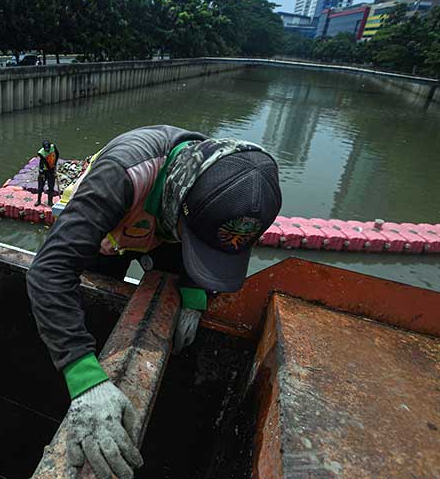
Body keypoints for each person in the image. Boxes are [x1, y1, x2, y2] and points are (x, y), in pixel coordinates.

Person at [25, 125, 282, 479]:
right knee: (90, 308)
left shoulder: (222, 175)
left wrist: (194, 293)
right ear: (178, 200)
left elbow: (196, 241)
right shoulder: (121, 174)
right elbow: (48, 271)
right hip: (110, 234)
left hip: (161, 234)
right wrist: (85, 380)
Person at [35, 139, 59, 206]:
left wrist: (54, 165)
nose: (47, 150)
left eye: (48, 148)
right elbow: (46, 163)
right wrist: (42, 173)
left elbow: (57, 154)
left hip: (51, 168)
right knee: (40, 187)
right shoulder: (41, 153)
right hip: (44, 170)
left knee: (51, 186)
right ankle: (39, 201)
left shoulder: (53, 147)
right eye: (46, 149)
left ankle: (50, 202)